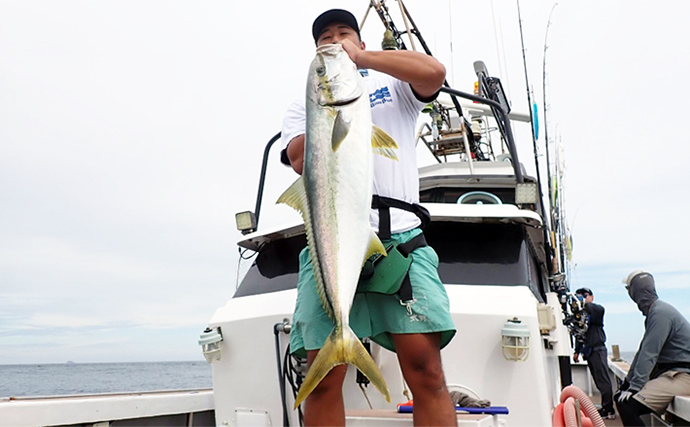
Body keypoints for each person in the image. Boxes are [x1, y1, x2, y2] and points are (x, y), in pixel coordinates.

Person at [280, 8, 457, 426]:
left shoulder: (393, 85)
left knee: (426, 372)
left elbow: (434, 72)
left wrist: (361, 60)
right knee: (322, 379)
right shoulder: (301, 106)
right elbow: (300, 159)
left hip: (399, 242)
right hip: (331, 242)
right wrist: (328, 112)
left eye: (344, 33)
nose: (335, 40)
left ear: (360, 41)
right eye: (325, 37)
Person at [615, 271, 690, 426]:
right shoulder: (655, 312)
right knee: (620, 398)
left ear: (635, 292)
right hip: (672, 373)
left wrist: (635, 387)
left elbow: (650, 353)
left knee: (628, 406)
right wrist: (627, 383)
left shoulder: (660, 314)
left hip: (683, 376)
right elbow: (642, 351)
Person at [573, 287, 616, 419]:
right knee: (598, 381)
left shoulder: (596, 312)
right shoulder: (581, 315)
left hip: (598, 349)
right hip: (589, 351)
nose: (583, 298)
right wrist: (577, 351)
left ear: (591, 296)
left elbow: (597, 310)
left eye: (585, 295)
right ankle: (606, 407)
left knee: (603, 381)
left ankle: (609, 410)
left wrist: (585, 303)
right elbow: (579, 333)